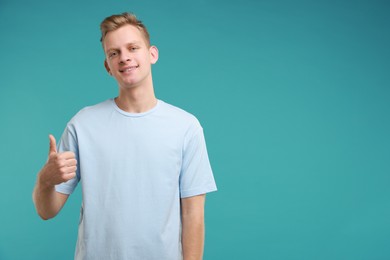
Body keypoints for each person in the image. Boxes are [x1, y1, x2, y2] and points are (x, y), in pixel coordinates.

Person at [32, 12, 217, 260]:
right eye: (114, 53)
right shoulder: (83, 124)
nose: (124, 57)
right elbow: (47, 211)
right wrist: (45, 180)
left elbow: (193, 215)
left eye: (132, 47)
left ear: (152, 54)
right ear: (108, 66)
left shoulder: (186, 127)